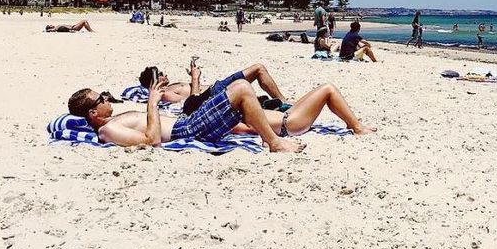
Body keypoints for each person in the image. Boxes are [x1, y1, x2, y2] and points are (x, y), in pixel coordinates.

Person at [68, 76, 375, 153]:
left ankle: (274, 139)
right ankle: (275, 143)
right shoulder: (106, 131)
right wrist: (152, 101)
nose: (109, 98)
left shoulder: (114, 119)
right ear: (95, 113)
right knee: (241, 87)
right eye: (103, 99)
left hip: (190, 124)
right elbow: (150, 141)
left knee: (241, 90)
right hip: (187, 131)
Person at [138, 61, 289, 105]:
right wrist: (195, 78)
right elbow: (191, 102)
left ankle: (279, 101)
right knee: (258, 69)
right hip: (215, 93)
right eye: (161, 74)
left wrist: (193, 76)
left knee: (259, 69)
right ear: (156, 80)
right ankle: (283, 101)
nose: (165, 74)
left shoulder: (172, 86)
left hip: (216, 88)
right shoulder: (165, 94)